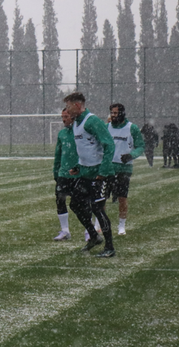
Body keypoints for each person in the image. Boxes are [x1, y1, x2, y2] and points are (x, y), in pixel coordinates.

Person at [64, 92, 116, 258]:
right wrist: (78, 167)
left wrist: (103, 171)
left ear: (77, 106)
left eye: (69, 106)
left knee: (97, 209)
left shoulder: (91, 121)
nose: (66, 111)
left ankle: (109, 247)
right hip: (85, 174)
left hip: (100, 175)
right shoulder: (76, 123)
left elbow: (109, 145)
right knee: (75, 204)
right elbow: (87, 150)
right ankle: (94, 236)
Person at [105, 104, 144, 236]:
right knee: (102, 198)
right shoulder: (107, 127)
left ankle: (121, 226)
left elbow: (140, 146)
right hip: (108, 167)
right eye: (111, 113)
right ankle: (99, 224)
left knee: (122, 198)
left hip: (124, 169)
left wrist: (131, 155)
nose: (113, 115)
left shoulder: (131, 128)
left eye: (115, 113)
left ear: (122, 113)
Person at [52, 109, 79, 241]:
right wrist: (56, 171)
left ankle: (89, 230)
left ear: (73, 117)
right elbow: (58, 153)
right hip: (63, 173)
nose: (63, 119)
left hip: (79, 174)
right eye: (62, 117)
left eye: (66, 117)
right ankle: (65, 231)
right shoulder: (62, 133)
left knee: (81, 203)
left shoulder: (80, 132)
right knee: (60, 200)